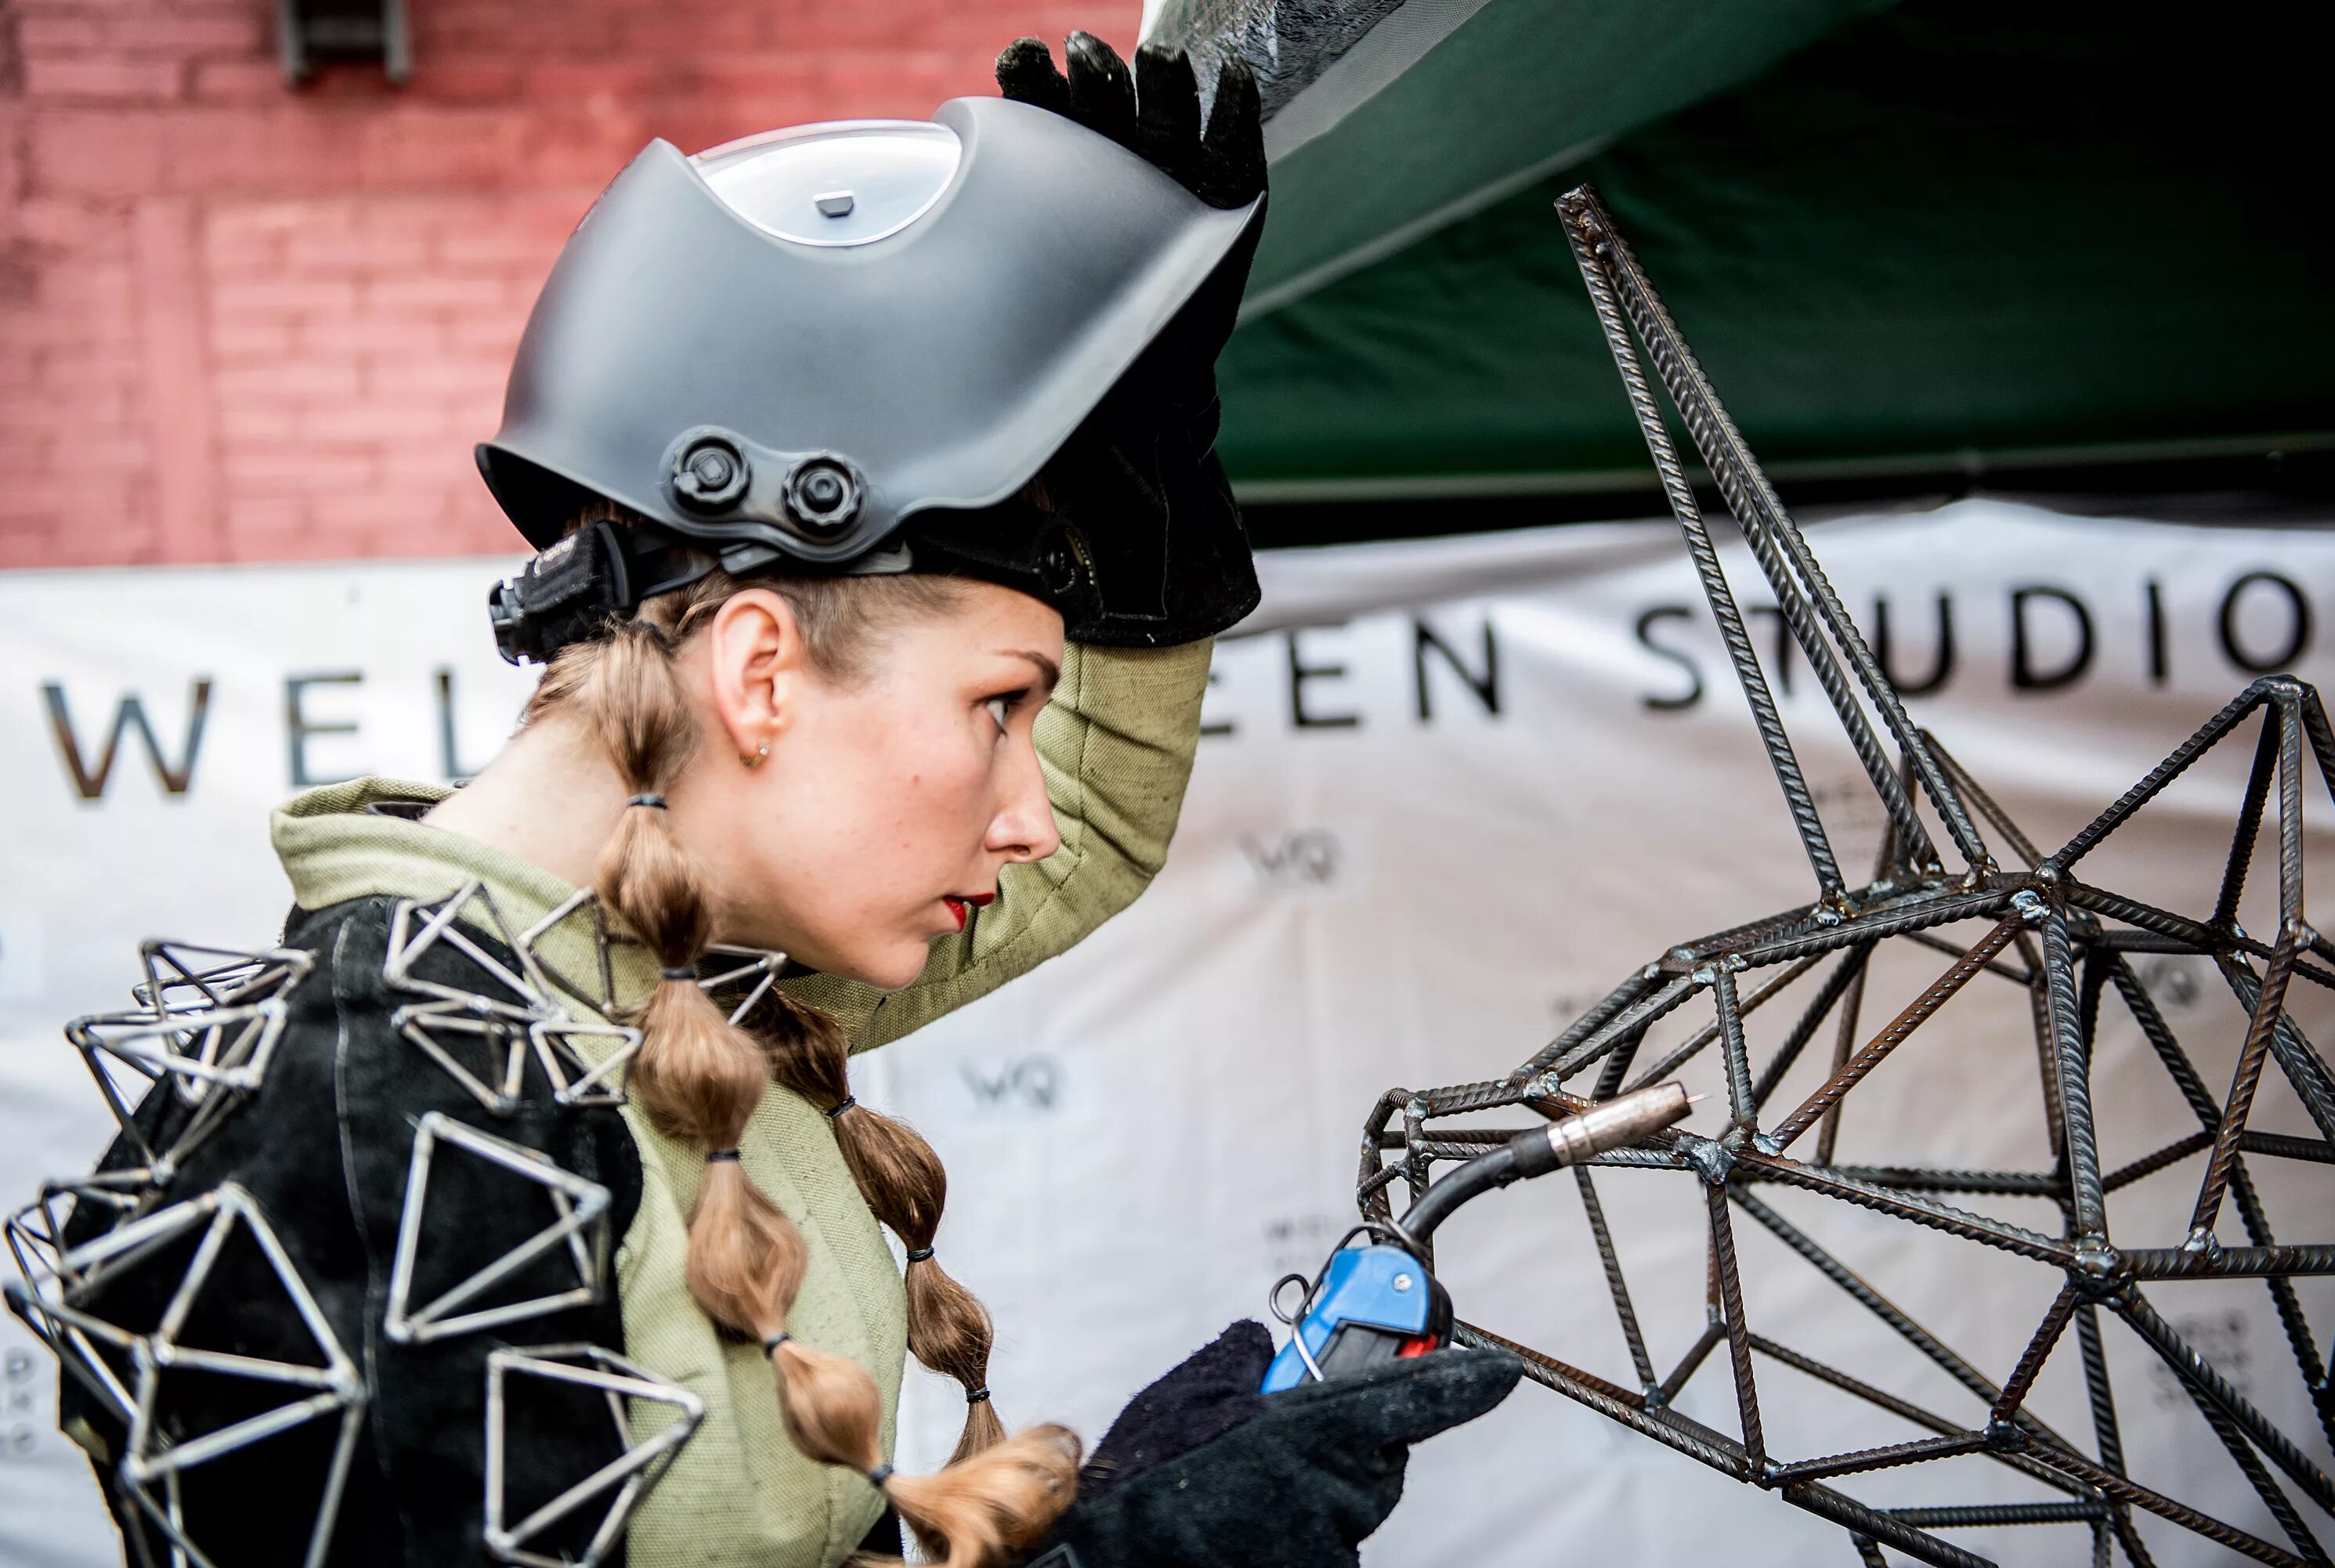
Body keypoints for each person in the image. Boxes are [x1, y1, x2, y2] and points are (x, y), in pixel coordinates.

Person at [9, 34, 1516, 1568]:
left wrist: (1141, 489)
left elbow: (1098, 832)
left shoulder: (666, 986)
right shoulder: (386, 1112)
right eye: (997, 708)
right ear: (762, 673)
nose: (1030, 814)